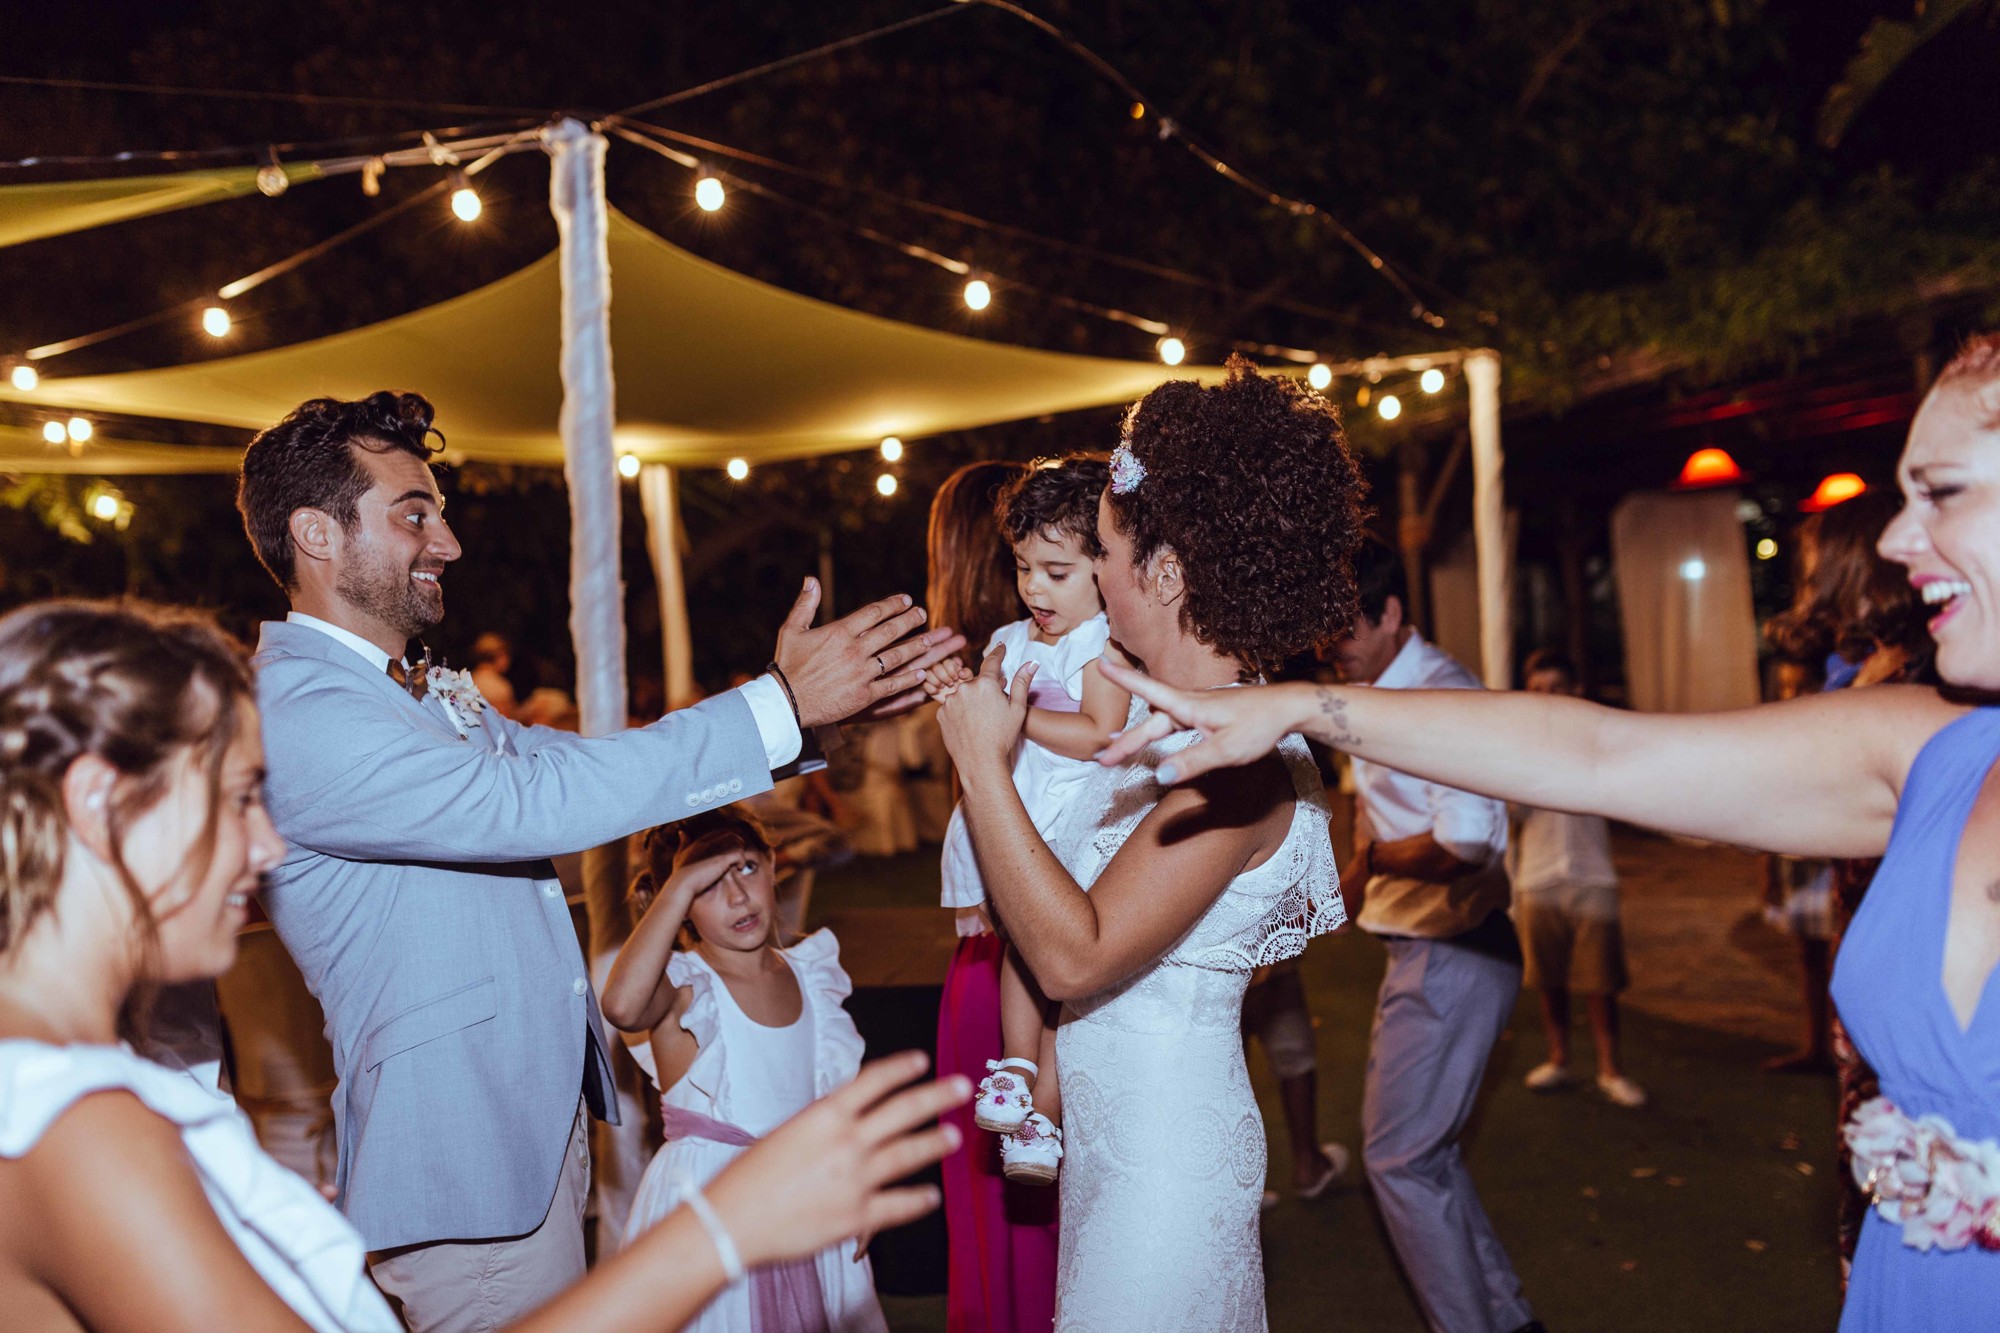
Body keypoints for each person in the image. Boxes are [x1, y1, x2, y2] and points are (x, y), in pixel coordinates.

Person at [1094, 332, 2000, 1333]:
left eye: (1942, 493)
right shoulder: (1930, 747)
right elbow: (1593, 755)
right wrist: (1301, 704)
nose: (1895, 541)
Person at [0, 598, 971, 1333]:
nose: (267, 842)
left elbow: (573, 773)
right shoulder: (76, 1124)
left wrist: (792, 727)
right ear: (98, 804)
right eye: (241, 796)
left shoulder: (79, 1090)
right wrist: (720, 1234)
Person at [234, 392, 964, 1330]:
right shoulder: (302, 709)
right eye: (415, 512)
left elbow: (567, 765)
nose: (448, 541)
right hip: (463, 1163)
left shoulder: (400, 693)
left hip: (520, 1139)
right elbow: (525, 806)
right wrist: (771, 705)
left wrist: (794, 722)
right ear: (315, 535)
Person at [936, 358, 1358, 1330]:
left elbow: (1074, 951)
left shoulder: (1234, 751)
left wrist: (984, 761)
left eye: (1108, 556)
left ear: (1163, 575)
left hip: (1164, 1168)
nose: (1095, 580)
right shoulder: (1171, 724)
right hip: (1108, 1143)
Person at [1322, 537, 1536, 1333]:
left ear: (1391, 614)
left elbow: (1468, 840)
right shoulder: (1374, 686)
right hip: (1428, 949)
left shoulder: (1442, 695)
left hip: (1457, 951)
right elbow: (1370, 795)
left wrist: (1372, 859)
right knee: (1426, 1153)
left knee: (1399, 1158)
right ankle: (1508, 1317)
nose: (1330, 643)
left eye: (1345, 624)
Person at [601, 810, 885, 1333]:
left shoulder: (811, 975)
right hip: (709, 1204)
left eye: (747, 868)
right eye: (706, 886)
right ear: (678, 905)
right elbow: (620, 1005)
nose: (737, 896)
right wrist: (679, 884)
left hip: (805, 1190)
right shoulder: (685, 985)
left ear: (774, 864)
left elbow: (830, 1105)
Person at [927, 454, 1128, 1185]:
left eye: (1056, 570)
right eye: (1022, 568)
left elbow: (1103, 736)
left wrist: (1019, 722)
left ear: (1102, 567)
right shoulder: (1007, 642)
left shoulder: (1103, 644)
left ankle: (1045, 1110)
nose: (1034, 588)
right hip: (1011, 813)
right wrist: (961, 690)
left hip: (1073, 819)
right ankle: (1014, 1067)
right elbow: (979, 719)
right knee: (1018, 943)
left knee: (1063, 976)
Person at [920, 459, 1059, 1333]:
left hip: (995, 961)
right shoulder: (1020, 662)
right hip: (1028, 952)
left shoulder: (993, 665)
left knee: (1006, 1211)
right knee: (1039, 1206)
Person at [1510, 648, 1644, 1109]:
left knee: (1600, 980)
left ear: (1576, 692)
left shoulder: (1596, 742)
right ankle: (1559, 1057)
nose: (1548, 699)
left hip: (1592, 872)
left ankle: (1611, 1068)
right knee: (1549, 978)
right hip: (1539, 873)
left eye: (1557, 689)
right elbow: (1513, 811)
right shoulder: (1516, 748)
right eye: (1538, 691)